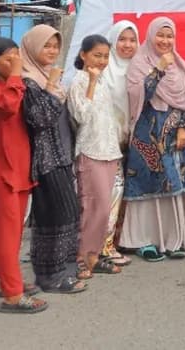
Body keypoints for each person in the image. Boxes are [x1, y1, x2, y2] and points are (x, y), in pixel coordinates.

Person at [0, 38, 47, 315]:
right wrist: (17, 73)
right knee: (6, 234)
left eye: (18, 58)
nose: (15, 64)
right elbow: (7, 107)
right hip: (0, 171)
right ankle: (13, 296)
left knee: (14, 233)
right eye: (9, 59)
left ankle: (5, 275)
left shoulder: (15, 86)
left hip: (19, 167)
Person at [122, 17, 185, 261]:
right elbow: (139, 97)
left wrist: (184, 128)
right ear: (151, 35)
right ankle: (143, 240)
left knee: (173, 185)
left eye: (169, 36)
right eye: (160, 35)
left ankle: (173, 240)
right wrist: (158, 70)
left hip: (174, 135)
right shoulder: (139, 63)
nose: (165, 41)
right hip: (147, 136)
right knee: (147, 185)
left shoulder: (181, 65)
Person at [20, 24, 83, 294]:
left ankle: (65, 269)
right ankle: (49, 276)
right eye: (46, 45)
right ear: (34, 47)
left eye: (56, 46)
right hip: (46, 159)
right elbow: (39, 119)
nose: (52, 51)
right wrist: (51, 86)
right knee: (55, 216)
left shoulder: (45, 76)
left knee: (67, 213)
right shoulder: (28, 80)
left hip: (62, 155)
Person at [67, 35, 124, 277]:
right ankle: (81, 257)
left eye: (104, 56)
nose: (101, 60)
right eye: (96, 55)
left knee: (105, 209)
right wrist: (90, 82)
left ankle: (94, 255)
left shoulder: (102, 82)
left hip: (109, 151)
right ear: (83, 55)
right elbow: (82, 116)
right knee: (92, 207)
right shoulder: (79, 81)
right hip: (90, 152)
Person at [99, 21, 139, 267]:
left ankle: (121, 237)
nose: (127, 45)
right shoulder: (105, 70)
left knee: (128, 193)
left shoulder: (139, 68)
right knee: (112, 192)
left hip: (133, 141)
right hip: (107, 142)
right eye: (122, 39)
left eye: (132, 40)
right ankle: (104, 245)